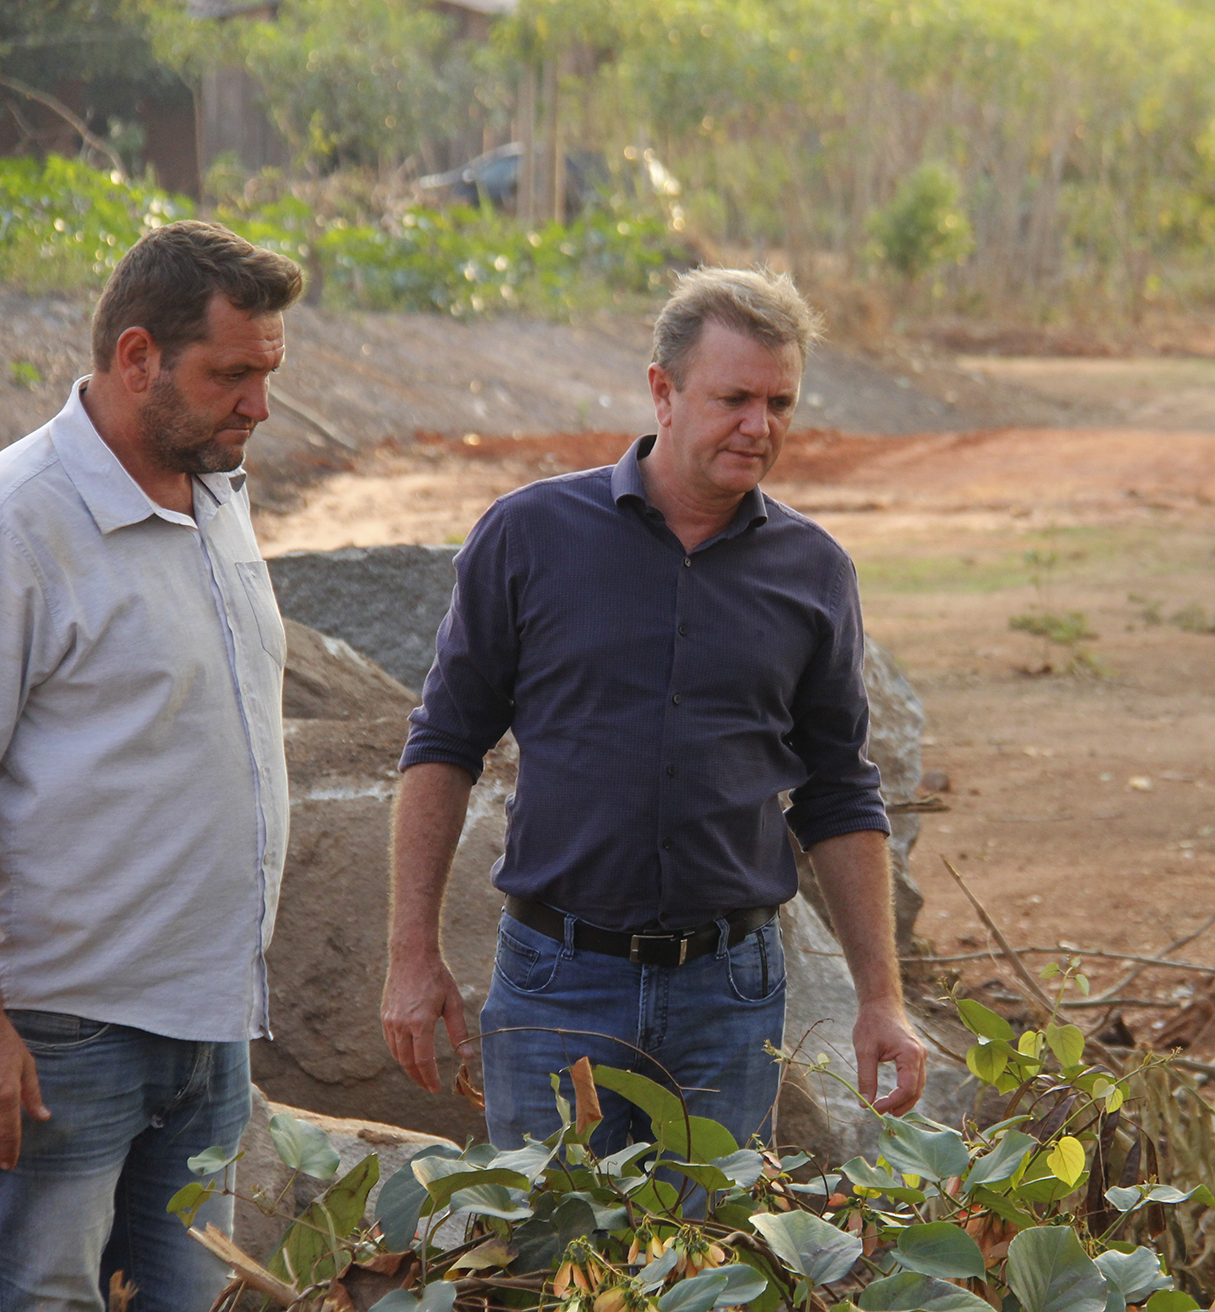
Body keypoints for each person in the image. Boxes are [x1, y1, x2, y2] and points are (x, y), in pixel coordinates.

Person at [381, 267, 926, 1159]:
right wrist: (412, 956)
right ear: (662, 392)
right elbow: (443, 745)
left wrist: (881, 999)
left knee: (709, 1271)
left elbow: (840, 793)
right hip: (556, 983)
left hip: (731, 994)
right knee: (550, 1265)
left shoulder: (814, 572)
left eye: (781, 402)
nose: (761, 427)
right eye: (735, 398)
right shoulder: (527, 537)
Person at [0, 221, 301, 1308]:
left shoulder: (213, 494)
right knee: (38, 1294)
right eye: (230, 374)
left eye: (266, 374)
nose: (256, 403)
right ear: (137, 355)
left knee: (189, 1298)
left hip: (210, 1027)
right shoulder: (10, 524)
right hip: (65, 1035)